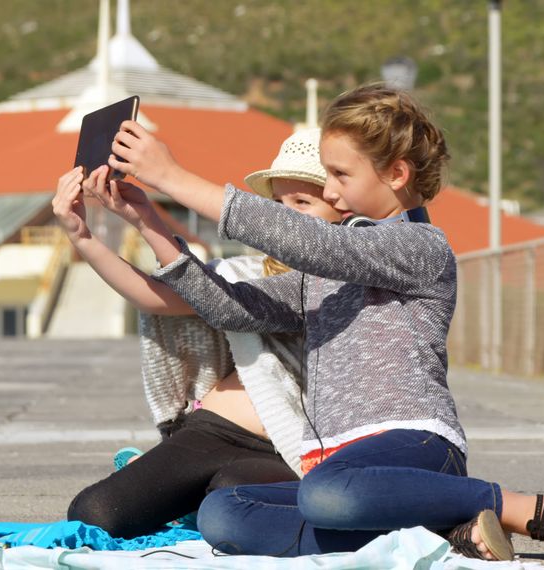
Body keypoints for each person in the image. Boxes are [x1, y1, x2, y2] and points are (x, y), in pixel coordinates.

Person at [89, 84, 544, 563]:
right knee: (225, 512)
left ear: (397, 175)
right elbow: (229, 307)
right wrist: (149, 221)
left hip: (415, 446)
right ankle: (445, 529)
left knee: (327, 496)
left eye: (340, 175)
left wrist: (174, 178)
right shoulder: (321, 276)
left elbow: (318, 243)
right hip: (338, 467)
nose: (330, 192)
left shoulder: (421, 247)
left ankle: (521, 505)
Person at [53, 128, 344, 539]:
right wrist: (82, 234)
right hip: (212, 430)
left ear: (342, 208)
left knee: (229, 496)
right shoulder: (249, 271)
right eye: (278, 202)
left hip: (288, 448)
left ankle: (191, 501)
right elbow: (158, 297)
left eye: (303, 202)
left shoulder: (351, 281)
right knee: (94, 513)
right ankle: (184, 495)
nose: (285, 214)